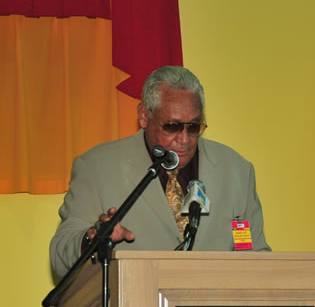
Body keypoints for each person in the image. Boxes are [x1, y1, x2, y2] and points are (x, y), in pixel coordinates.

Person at [50, 66, 270, 278]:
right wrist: (92, 239)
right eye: (172, 126)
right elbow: (60, 258)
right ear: (144, 116)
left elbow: (254, 256)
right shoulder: (97, 168)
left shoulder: (237, 171)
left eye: (193, 127)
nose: (184, 140)